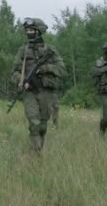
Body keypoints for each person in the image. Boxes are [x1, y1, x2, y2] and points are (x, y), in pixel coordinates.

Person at [10, 17, 66, 152]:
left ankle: (38, 147)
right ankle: (36, 154)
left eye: (31, 30)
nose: (28, 32)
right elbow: (13, 73)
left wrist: (44, 69)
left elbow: (62, 70)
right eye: (27, 30)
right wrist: (22, 80)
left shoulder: (50, 50)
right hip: (30, 92)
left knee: (42, 125)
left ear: (38, 32)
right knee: (34, 123)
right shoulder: (22, 51)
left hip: (46, 91)